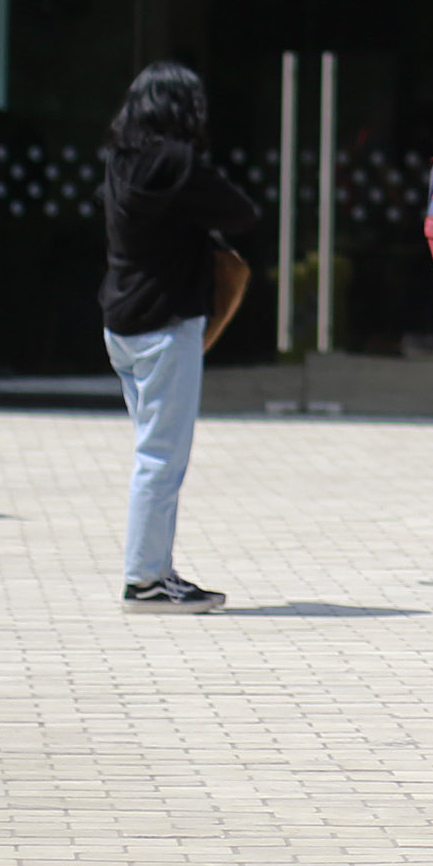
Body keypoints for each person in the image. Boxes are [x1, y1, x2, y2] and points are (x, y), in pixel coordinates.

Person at [97, 61, 257, 612]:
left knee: (152, 452)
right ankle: (145, 580)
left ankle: (156, 573)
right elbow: (241, 212)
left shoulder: (120, 161)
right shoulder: (178, 164)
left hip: (121, 323)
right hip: (166, 325)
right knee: (162, 459)